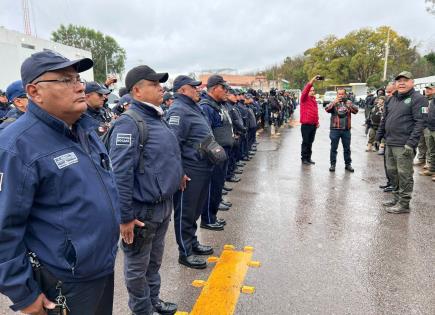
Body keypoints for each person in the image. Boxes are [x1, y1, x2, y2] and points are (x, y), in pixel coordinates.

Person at [0, 50, 120, 315]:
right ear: (34, 91)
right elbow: (3, 227)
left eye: (78, 78)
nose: (79, 86)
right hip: (63, 281)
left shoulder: (83, 130)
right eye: (66, 80)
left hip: (100, 268)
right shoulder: (16, 147)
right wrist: (22, 293)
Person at [108, 65, 182, 315]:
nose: (160, 88)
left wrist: (177, 175)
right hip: (141, 212)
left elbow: (165, 156)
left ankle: (154, 301)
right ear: (137, 90)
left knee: (154, 262)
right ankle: (142, 310)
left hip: (162, 206)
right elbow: (120, 175)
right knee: (138, 267)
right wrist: (125, 217)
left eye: (160, 84)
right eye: (154, 84)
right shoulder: (130, 124)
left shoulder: (156, 117)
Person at [166, 75, 215, 269]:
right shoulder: (178, 110)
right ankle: (185, 252)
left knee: (194, 210)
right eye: (193, 87)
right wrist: (179, 172)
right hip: (189, 169)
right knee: (185, 212)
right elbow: (172, 144)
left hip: (202, 166)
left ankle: (192, 242)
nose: (198, 89)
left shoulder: (192, 107)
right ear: (182, 90)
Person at [376, 71, 427, 213]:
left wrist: (411, 143)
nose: (402, 83)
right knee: (392, 173)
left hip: (404, 144)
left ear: (412, 82)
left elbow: (420, 123)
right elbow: (384, 120)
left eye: (405, 80)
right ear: (395, 83)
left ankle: (404, 203)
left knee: (404, 174)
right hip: (390, 142)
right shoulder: (391, 99)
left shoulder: (419, 99)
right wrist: (378, 137)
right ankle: (396, 198)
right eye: (399, 80)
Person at [199, 75, 233, 231]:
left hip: (222, 153)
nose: (226, 90)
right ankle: (208, 219)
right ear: (213, 88)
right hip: (215, 156)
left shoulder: (218, 105)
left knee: (218, 186)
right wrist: (215, 154)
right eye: (223, 87)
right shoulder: (206, 106)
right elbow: (206, 134)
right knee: (212, 188)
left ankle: (212, 216)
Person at [325, 89, 359, 172]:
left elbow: (356, 111)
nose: (340, 95)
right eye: (339, 94)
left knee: (347, 148)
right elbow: (327, 109)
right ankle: (332, 165)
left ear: (345, 94)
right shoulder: (334, 102)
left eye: (342, 94)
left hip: (346, 129)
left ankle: (348, 165)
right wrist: (334, 102)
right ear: (337, 95)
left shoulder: (349, 102)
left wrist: (348, 104)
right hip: (335, 129)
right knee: (333, 148)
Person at [299, 75, 320, 165]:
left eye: (313, 90)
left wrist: (317, 122)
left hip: (313, 125)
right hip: (306, 125)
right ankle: (304, 158)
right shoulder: (304, 99)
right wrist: (312, 81)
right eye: (310, 90)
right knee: (306, 142)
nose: (312, 92)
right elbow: (306, 90)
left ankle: (308, 158)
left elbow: (315, 112)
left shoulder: (314, 100)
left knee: (310, 142)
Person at [419, 82, 435, 180]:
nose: (427, 90)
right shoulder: (427, 100)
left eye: (430, 88)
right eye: (427, 88)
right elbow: (425, 113)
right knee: (432, 150)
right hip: (429, 127)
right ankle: (432, 169)